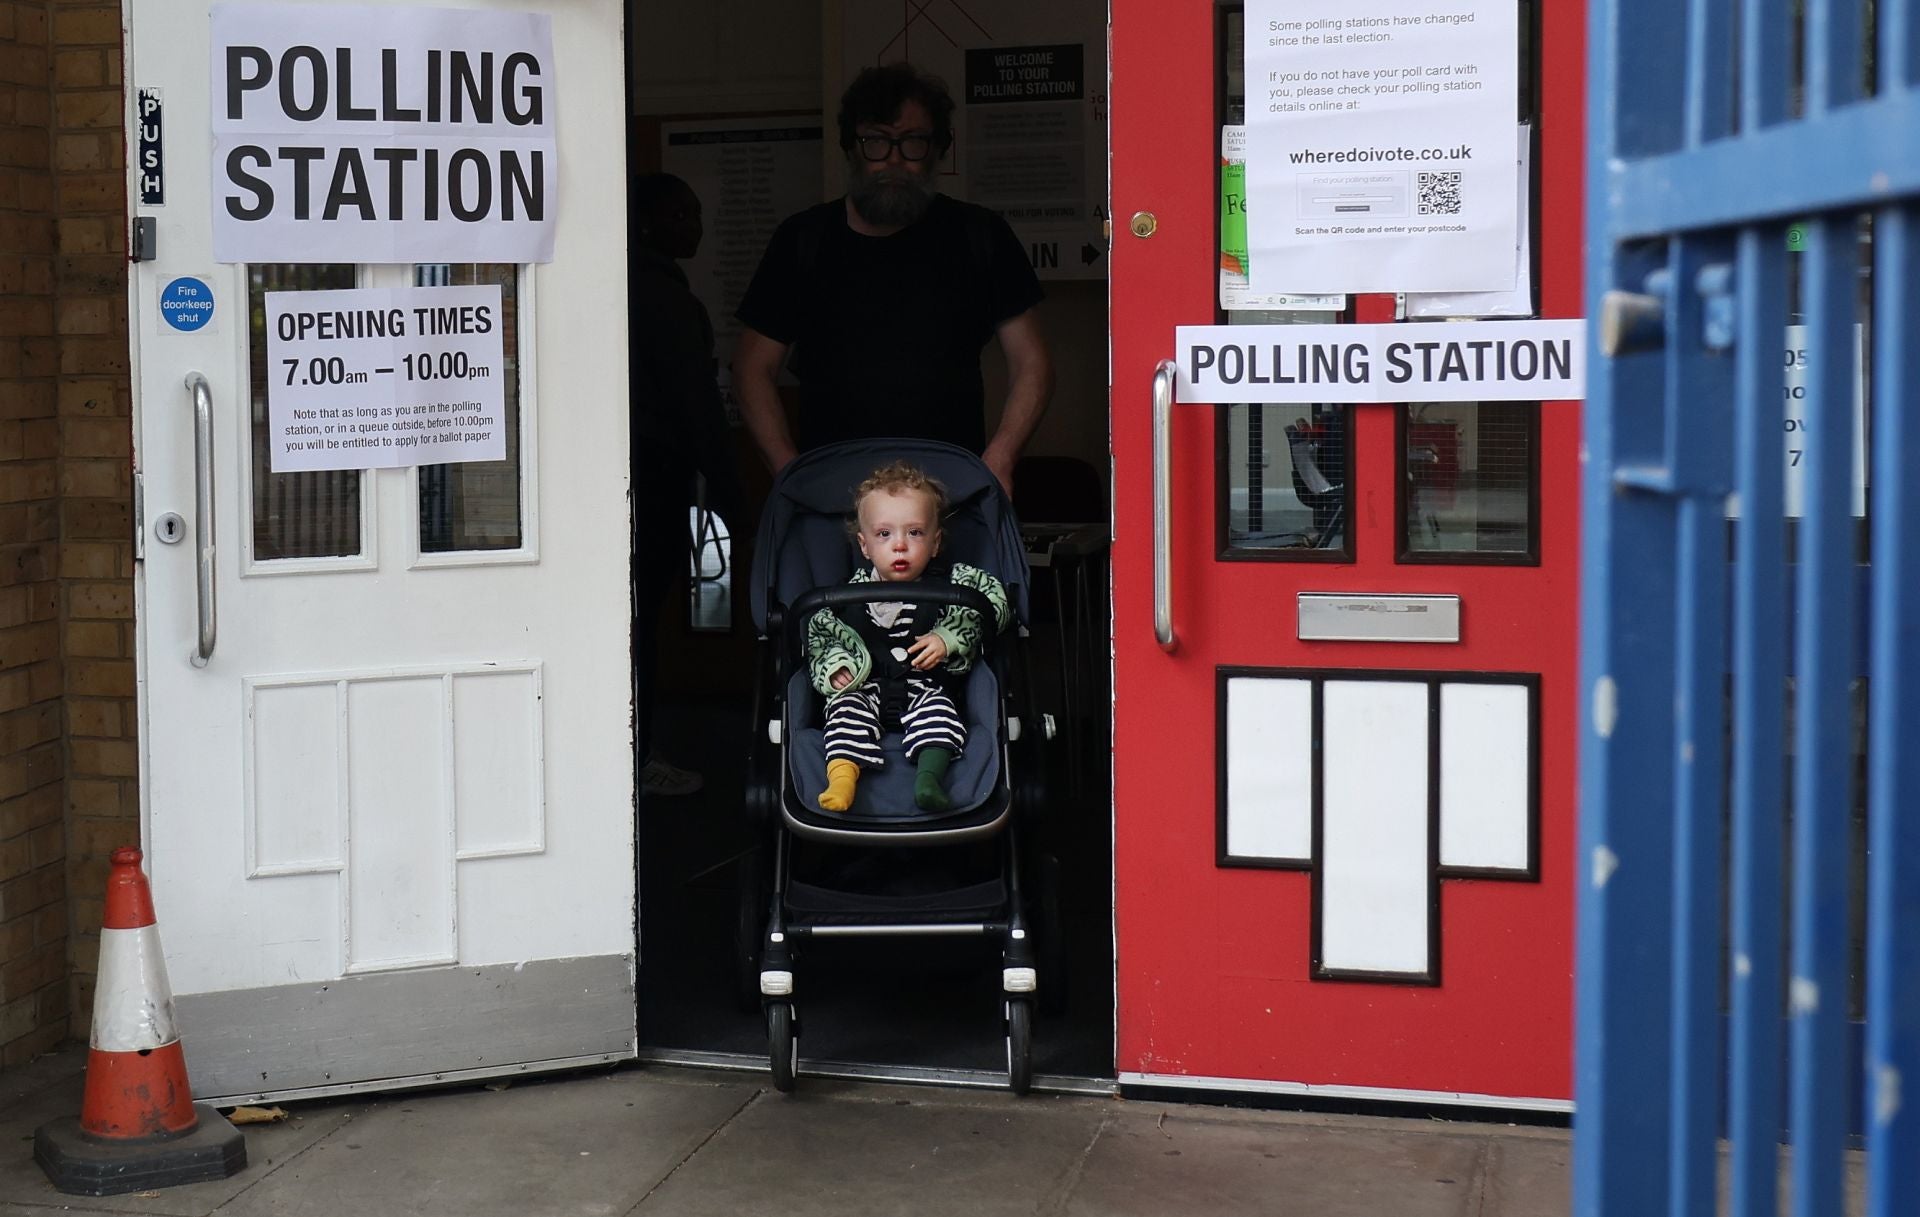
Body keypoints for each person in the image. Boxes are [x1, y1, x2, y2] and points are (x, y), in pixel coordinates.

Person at [732, 64, 1054, 493]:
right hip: (831, 492)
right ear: (851, 149)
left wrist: (1001, 458)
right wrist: (786, 468)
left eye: (913, 142)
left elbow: (1032, 362)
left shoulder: (981, 235)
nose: (894, 159)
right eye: (877, 142)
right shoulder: (802, 240)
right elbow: (752, 368)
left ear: (939, 149)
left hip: (949, 491)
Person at [805, 462, 1010, 812]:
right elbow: (819, 638)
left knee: (943, 717)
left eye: (914, 533)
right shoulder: (841, 599)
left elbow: (995, 604)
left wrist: (950, 637)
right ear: (864, 545)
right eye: (884, 534)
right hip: (863, 689)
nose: (899, 546)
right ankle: (842, 780)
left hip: (927, 688)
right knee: (842, 715)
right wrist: (836, 666)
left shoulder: (955, 584)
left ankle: (928, 781)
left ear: (935, 541)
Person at [630, 171, 742, 797]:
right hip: (655, 479)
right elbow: (697, 406)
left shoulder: (630, 288)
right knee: (639, 619)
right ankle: (641, 753)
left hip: (636, 481)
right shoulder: (665, 299)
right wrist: (732, 492)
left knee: (633, 617)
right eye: (681, 216)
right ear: (646, 223)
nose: (695, 227)